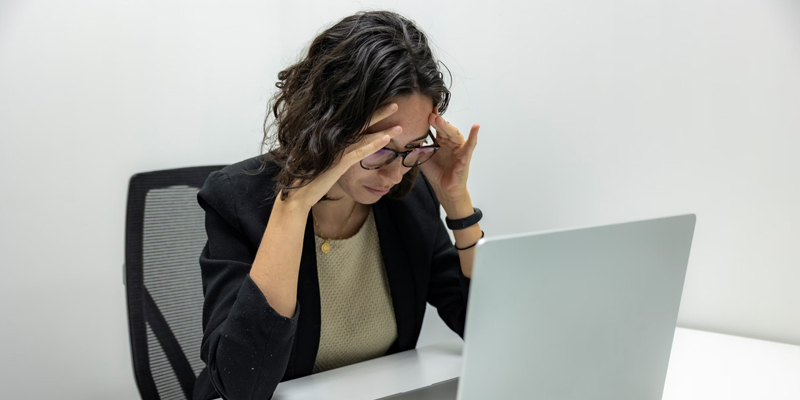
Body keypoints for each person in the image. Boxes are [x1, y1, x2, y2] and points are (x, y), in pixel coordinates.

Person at [193, 10, 483, 400]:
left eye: (413, 148)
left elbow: (485, 328)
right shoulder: (237, 200)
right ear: (326, 125)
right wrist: (293, 208)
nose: (395, 174)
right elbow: (241, 385)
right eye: (380, 149)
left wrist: (456, 202)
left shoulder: (408, 198)